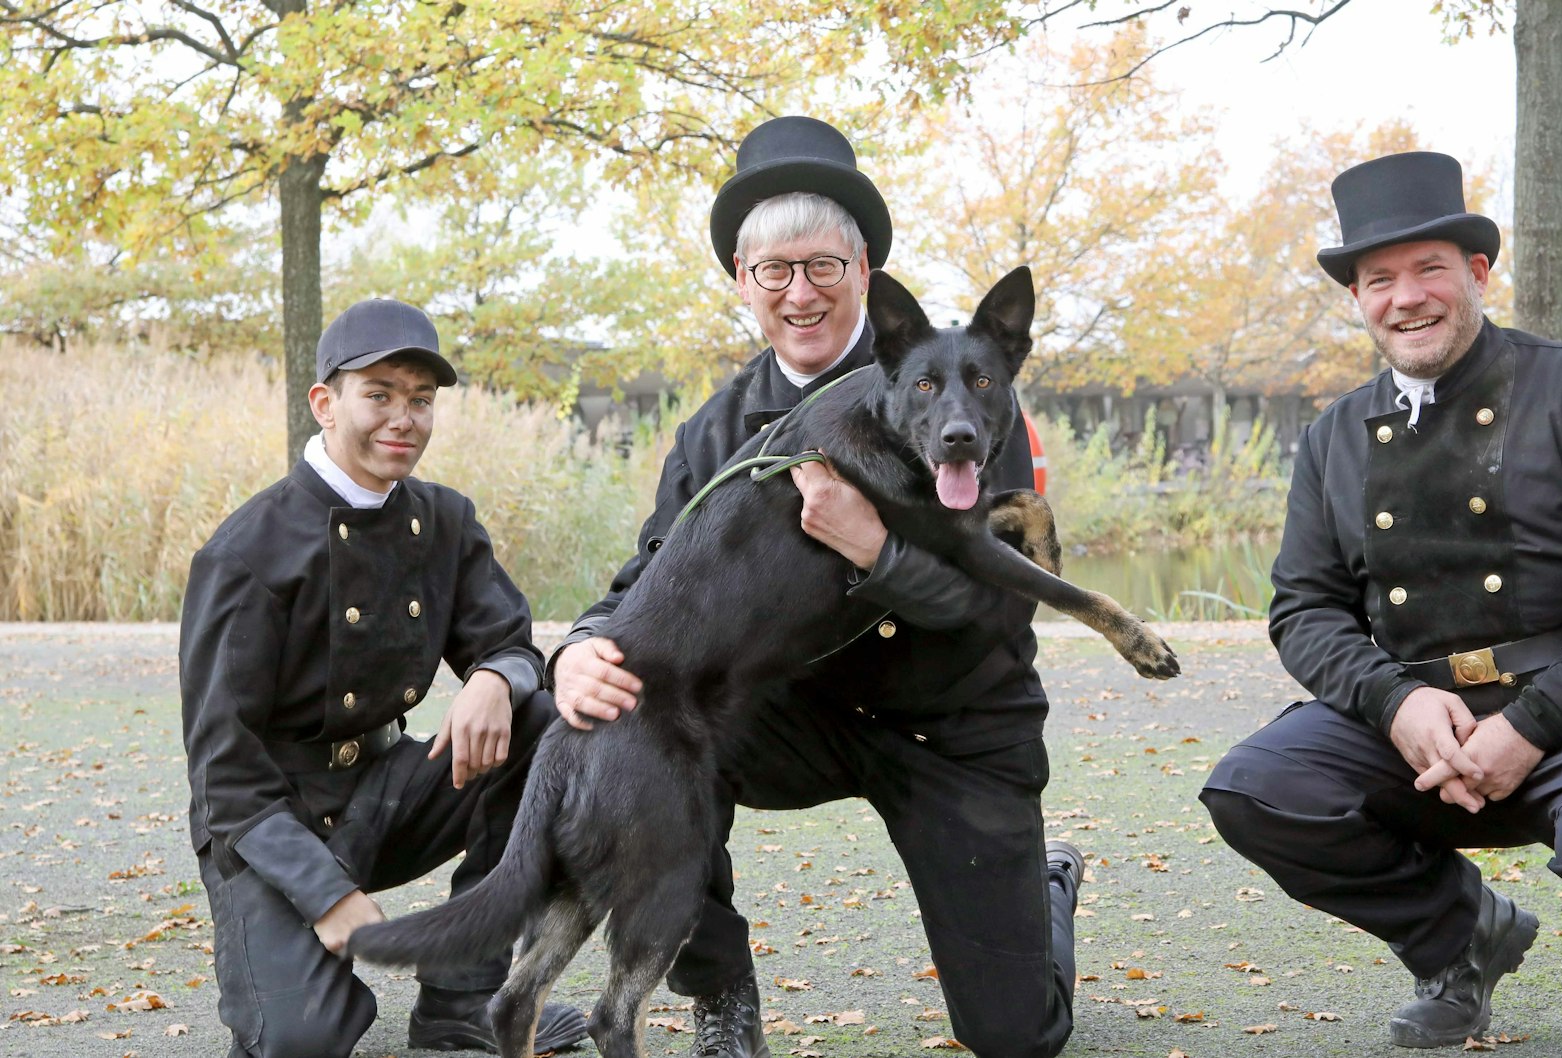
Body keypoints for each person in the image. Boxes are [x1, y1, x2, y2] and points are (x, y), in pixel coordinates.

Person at [550, 116, 1082, 1058]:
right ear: (743, 284)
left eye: (824, 267)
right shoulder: (716, 431)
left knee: (1015, 1039)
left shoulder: (970, 401)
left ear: (866, 274)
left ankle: (1040, 894)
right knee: (648, 720)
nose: (801, 294)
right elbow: (651, 575)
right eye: (774, 271)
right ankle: (720, 995)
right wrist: (581, 645)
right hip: (786, 718)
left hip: (953, 726)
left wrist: (876, 550)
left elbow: (1000, 612)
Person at [1199, 152, 1562, 1058]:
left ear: (1478, 274)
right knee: (1259, 790)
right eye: (1379, 280)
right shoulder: (1333, 437)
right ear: (1360, 298)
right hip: (1423, 723)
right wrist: (1393, 700)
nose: (1406, 298)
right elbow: (1304, 609)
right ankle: (1461, 940)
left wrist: (1533, 721)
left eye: (1429, 270)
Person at [179, 298, 590, 1057]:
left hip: (386, 789)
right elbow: (225, 775)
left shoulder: (444, 520)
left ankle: (463, 1004)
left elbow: (509, 640)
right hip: (271, 823)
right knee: (303, 1040)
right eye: (380, 395)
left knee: (546, 729)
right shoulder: (246, 553)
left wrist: (496, 678)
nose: (404, 418)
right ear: (325, 403)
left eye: (421, 400)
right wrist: (328, 896)